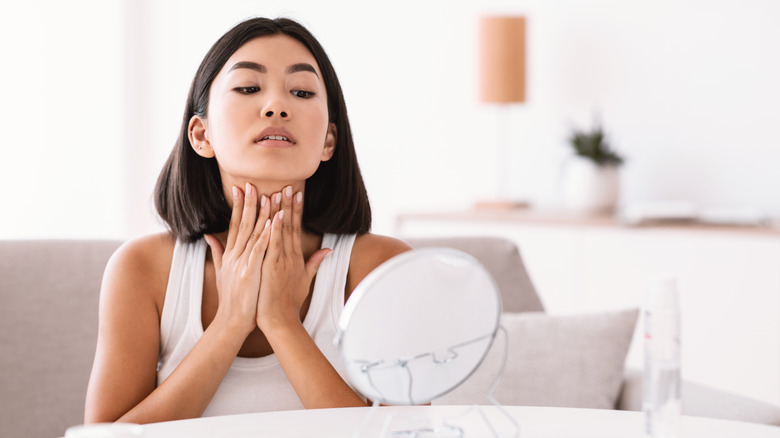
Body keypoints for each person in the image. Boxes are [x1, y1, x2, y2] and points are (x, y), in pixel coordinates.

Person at [84, 16, 411, 424]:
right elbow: (103, 436)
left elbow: (408, 433)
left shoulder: (383, 269)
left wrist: (282, 323)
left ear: (329, 140)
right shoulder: (141, 269)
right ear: (201, 135)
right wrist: (230, 323)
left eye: (302, 91)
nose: (276, 105)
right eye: (248, 88)